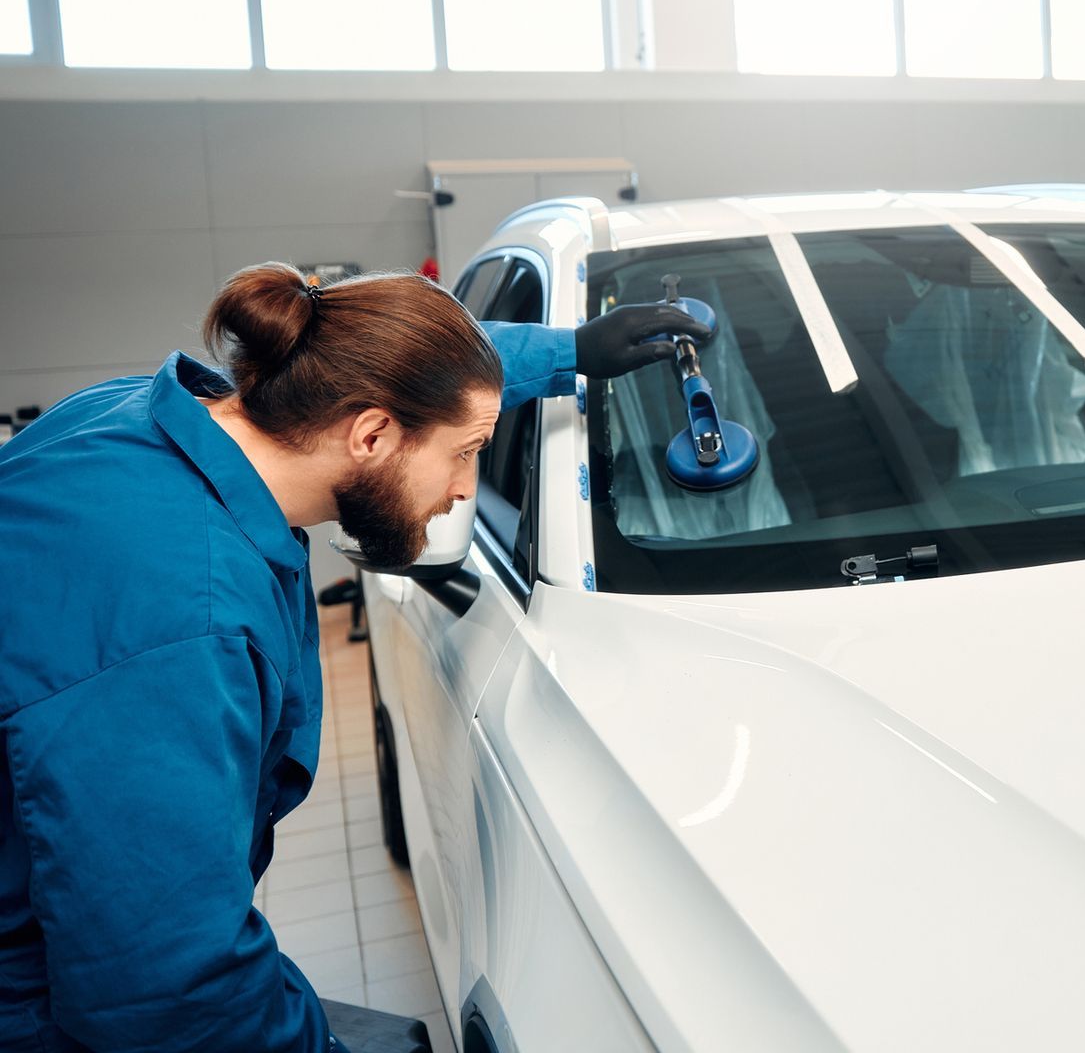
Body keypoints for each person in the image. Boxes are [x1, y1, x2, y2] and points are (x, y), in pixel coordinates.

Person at [0, 264, 707, 1051]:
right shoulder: (182, 629)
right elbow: (165, 991)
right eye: (467, 451)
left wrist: (570, 349)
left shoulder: (136, 416)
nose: (464, 489)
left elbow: (404, 371)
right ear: (369, 436)